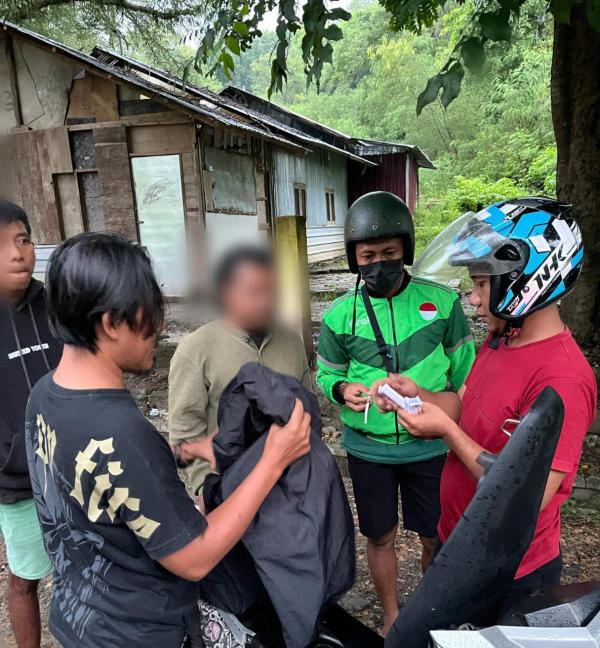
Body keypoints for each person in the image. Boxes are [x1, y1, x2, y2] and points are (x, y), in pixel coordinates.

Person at [24, 232, 312, 648]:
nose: (159, 326)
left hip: (81, 618)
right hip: (143, 633)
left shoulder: (44, 395)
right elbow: (196, 558)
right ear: (110, 323)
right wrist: (273, 461)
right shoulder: (123, 435)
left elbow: (96, 510)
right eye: (150, 310)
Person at [374, 197, 597, 619]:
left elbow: (524, 494)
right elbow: (466, 406)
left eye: (480, 284)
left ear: (524, 281)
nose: (473, 299)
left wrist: (445, 432)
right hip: (458, 539)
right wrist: (420, 395)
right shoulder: (502, 338)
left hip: (508, 569)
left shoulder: (562, 378)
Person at [316, 191, 475, 634]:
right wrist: (343, 389)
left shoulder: (442, 303)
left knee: (434, 535)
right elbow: (326, 374)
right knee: (379, 535)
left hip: (430, 447)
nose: (379, 263)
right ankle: (392, 617)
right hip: (369, 449)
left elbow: (466, 372)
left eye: (390, 253)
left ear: (405, 247)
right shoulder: (338, 316)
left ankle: (430, 613)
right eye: (368, 255)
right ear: (353, 258)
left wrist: (448, 413)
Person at [169, 245, 312, 500]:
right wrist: (205, 488)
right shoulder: (196, 349)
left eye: (273, 291)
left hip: (289, 489)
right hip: (229, 488)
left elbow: (307, 411)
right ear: (226, 293)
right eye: (255, 292)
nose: (267, 301)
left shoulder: (290, 341)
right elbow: (185, 430)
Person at [0, 200, 62, 648]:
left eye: (23, 239)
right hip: (16, 481)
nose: (18, 253)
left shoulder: (57, 306)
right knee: (25, 576)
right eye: (2, 245)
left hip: (74, 468)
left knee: (85, 566)